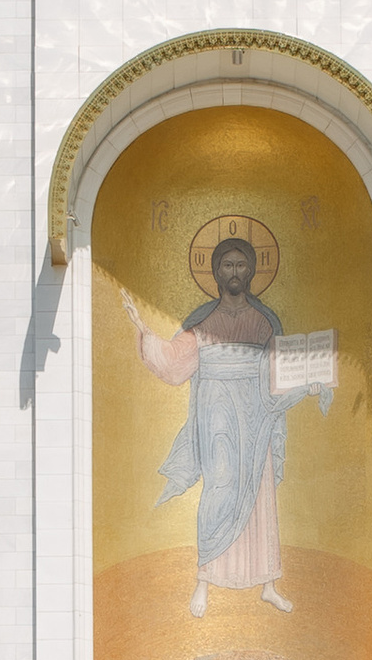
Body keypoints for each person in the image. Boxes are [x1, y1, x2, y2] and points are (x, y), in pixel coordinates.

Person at [120, 234, 330, 616]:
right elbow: (173, 361)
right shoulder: (204, 321)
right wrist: (144, 332)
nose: (234, 272)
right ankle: (204, 580)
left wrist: (308, 381)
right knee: (219, 484)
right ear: (216, 272)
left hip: (255, 411)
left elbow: (277, 373)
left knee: (259, 489)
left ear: (251, 271)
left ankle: (268, 582)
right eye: (227, 265)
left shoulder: (265, 321)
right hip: (217, 408)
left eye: (241, 265)